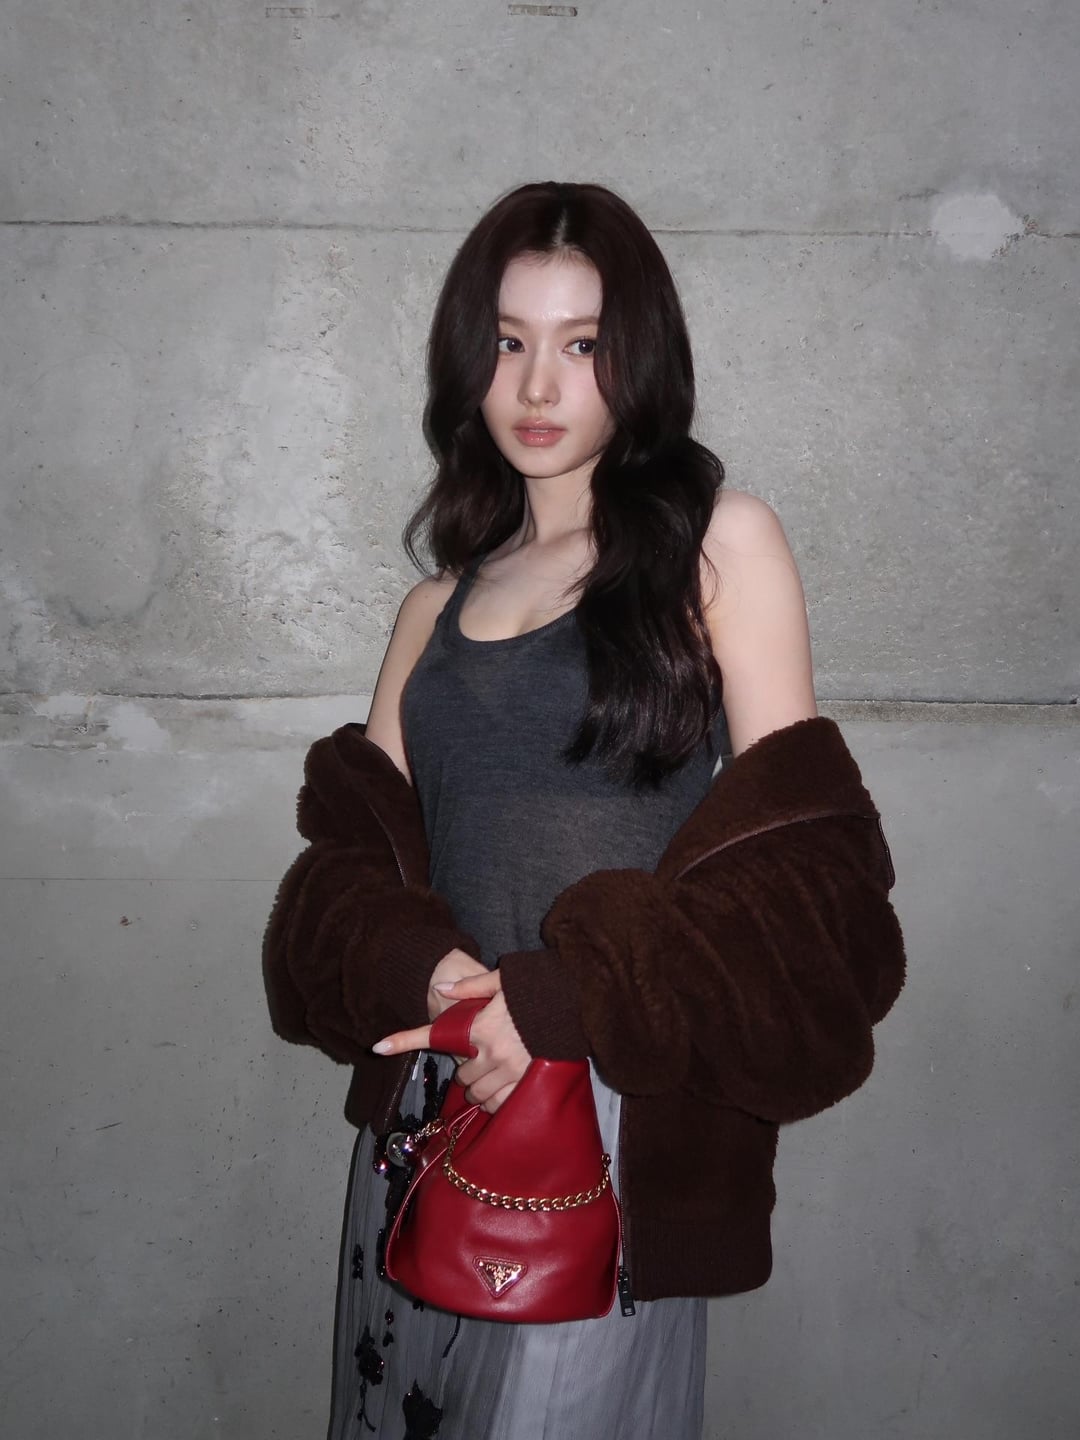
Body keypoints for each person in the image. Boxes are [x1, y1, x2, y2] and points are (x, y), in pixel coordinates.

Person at [262, 181, 905, 1440]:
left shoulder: (718, 547)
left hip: (612, 1109)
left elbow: (806, 878)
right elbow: (345, 868)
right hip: (436, 1097)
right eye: (509, 342)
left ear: (639, 356)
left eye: (582, 342)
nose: (539, 385)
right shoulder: (434, 606)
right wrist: (423, 970)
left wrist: (564, 1001)